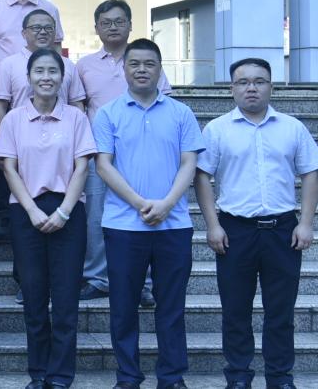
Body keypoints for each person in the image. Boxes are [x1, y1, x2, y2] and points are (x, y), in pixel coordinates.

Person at [195, 57, 318, 389]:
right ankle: (238, 377)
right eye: (243, 82)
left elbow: (311, 174)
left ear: (271, 87)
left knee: (280, 312)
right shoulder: (217, 129)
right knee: (235, 311)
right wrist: (212, 225)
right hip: (235, 231)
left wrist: (306, 223)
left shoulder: (292, 127)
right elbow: (202, 176)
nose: (251, 88)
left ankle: (280, 378)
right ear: (231, 88)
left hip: (282, 231)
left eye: (259, 81)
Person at [93, 38, 204, 389]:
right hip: (124, 225)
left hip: (174, 225)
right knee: (123, 307)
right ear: (124, 69)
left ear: (160, 69)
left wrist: (167, 203)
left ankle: (171, 377)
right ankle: (128, 377)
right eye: (135, 63)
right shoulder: (107, 113)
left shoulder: (181, 113)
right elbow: (103, 165)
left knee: (171, 306)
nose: (142, 70)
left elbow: (189, 163)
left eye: (149, 64)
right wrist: (140, 203)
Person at [0, 48, 94, 389]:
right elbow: (8, 168)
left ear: (62, 78)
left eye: (53, 71)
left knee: (65, 299)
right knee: (34, 297)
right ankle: (38, 373)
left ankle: (61, 375)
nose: (46, 77)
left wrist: (64, 211)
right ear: (29, 78)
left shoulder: (76, 118)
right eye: (39, 71)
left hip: (69, 210)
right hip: (27, 211)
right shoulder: (13, 119)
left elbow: (83, 167)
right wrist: (33, 211)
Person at [77, 0, 171, 305]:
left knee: (142, 212)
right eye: (106, 22)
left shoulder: (145, 60)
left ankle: (142, 283)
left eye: (119, 21)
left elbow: (165, 104)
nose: (113, 27)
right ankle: (97, 277)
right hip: (99, 153)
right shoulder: (84, 66)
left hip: (141, 151)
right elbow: (79, 109)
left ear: (130, 25)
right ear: (96, 28)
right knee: (95, 216)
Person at [0, 9, 85, 134]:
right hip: (21, 134)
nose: (43, 32)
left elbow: (76, 103)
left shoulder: (68, 65)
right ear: (24, 33)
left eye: (48, 28)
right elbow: (0, 106)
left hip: (62, 136)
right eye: (36, 28)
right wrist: (2, 140)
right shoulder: (8, 65)